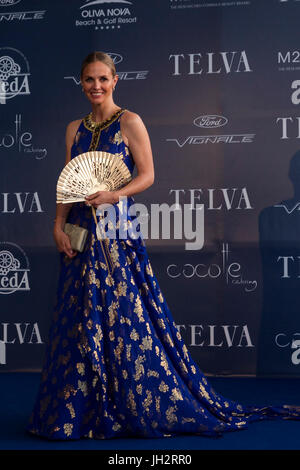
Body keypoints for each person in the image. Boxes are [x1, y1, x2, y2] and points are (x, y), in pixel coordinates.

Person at [26, 51, 300, 440]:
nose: (97, 87)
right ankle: (79, 409)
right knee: (79, 314)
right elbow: (67, 182)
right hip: (79, 230)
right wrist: (57, 224)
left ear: (115, 80)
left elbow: (148, 175)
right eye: (89, 80)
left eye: (103, 79)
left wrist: (114, 194)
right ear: (81, 83)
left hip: (116, 227)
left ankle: (125, 402)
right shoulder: (74, 128)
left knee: (122, 314)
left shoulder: (130, 121)